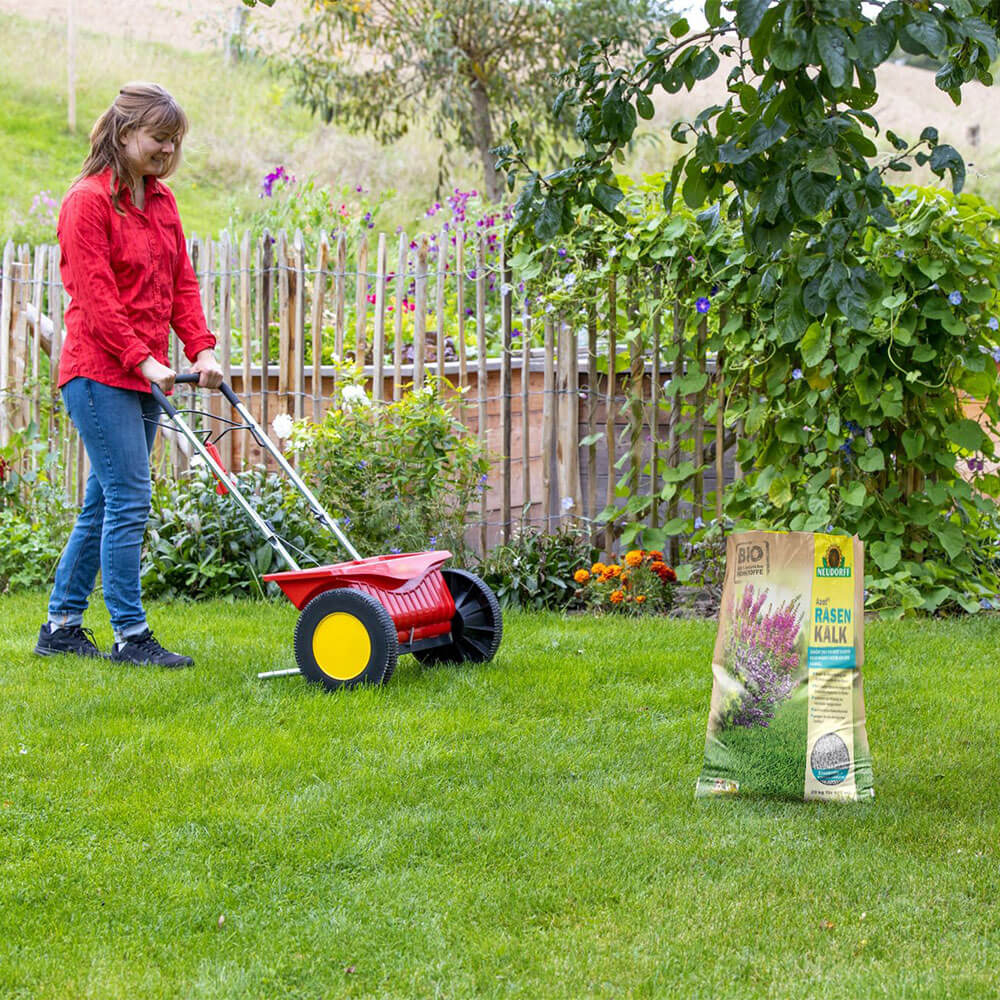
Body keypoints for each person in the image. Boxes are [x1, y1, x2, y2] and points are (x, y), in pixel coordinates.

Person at [34, 83, 224, 668]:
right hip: (98, 373)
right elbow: (96, 298)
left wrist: (201, 349)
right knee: (130, 498)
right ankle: (130, 635)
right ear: (123, 133)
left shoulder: (161, 202)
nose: (167, 150)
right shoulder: (87, 201)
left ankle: (61, 627)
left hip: (145, 373)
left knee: (105, 501)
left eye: (174, 141)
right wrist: (141, 357)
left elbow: (180, 283)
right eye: (158, 138)